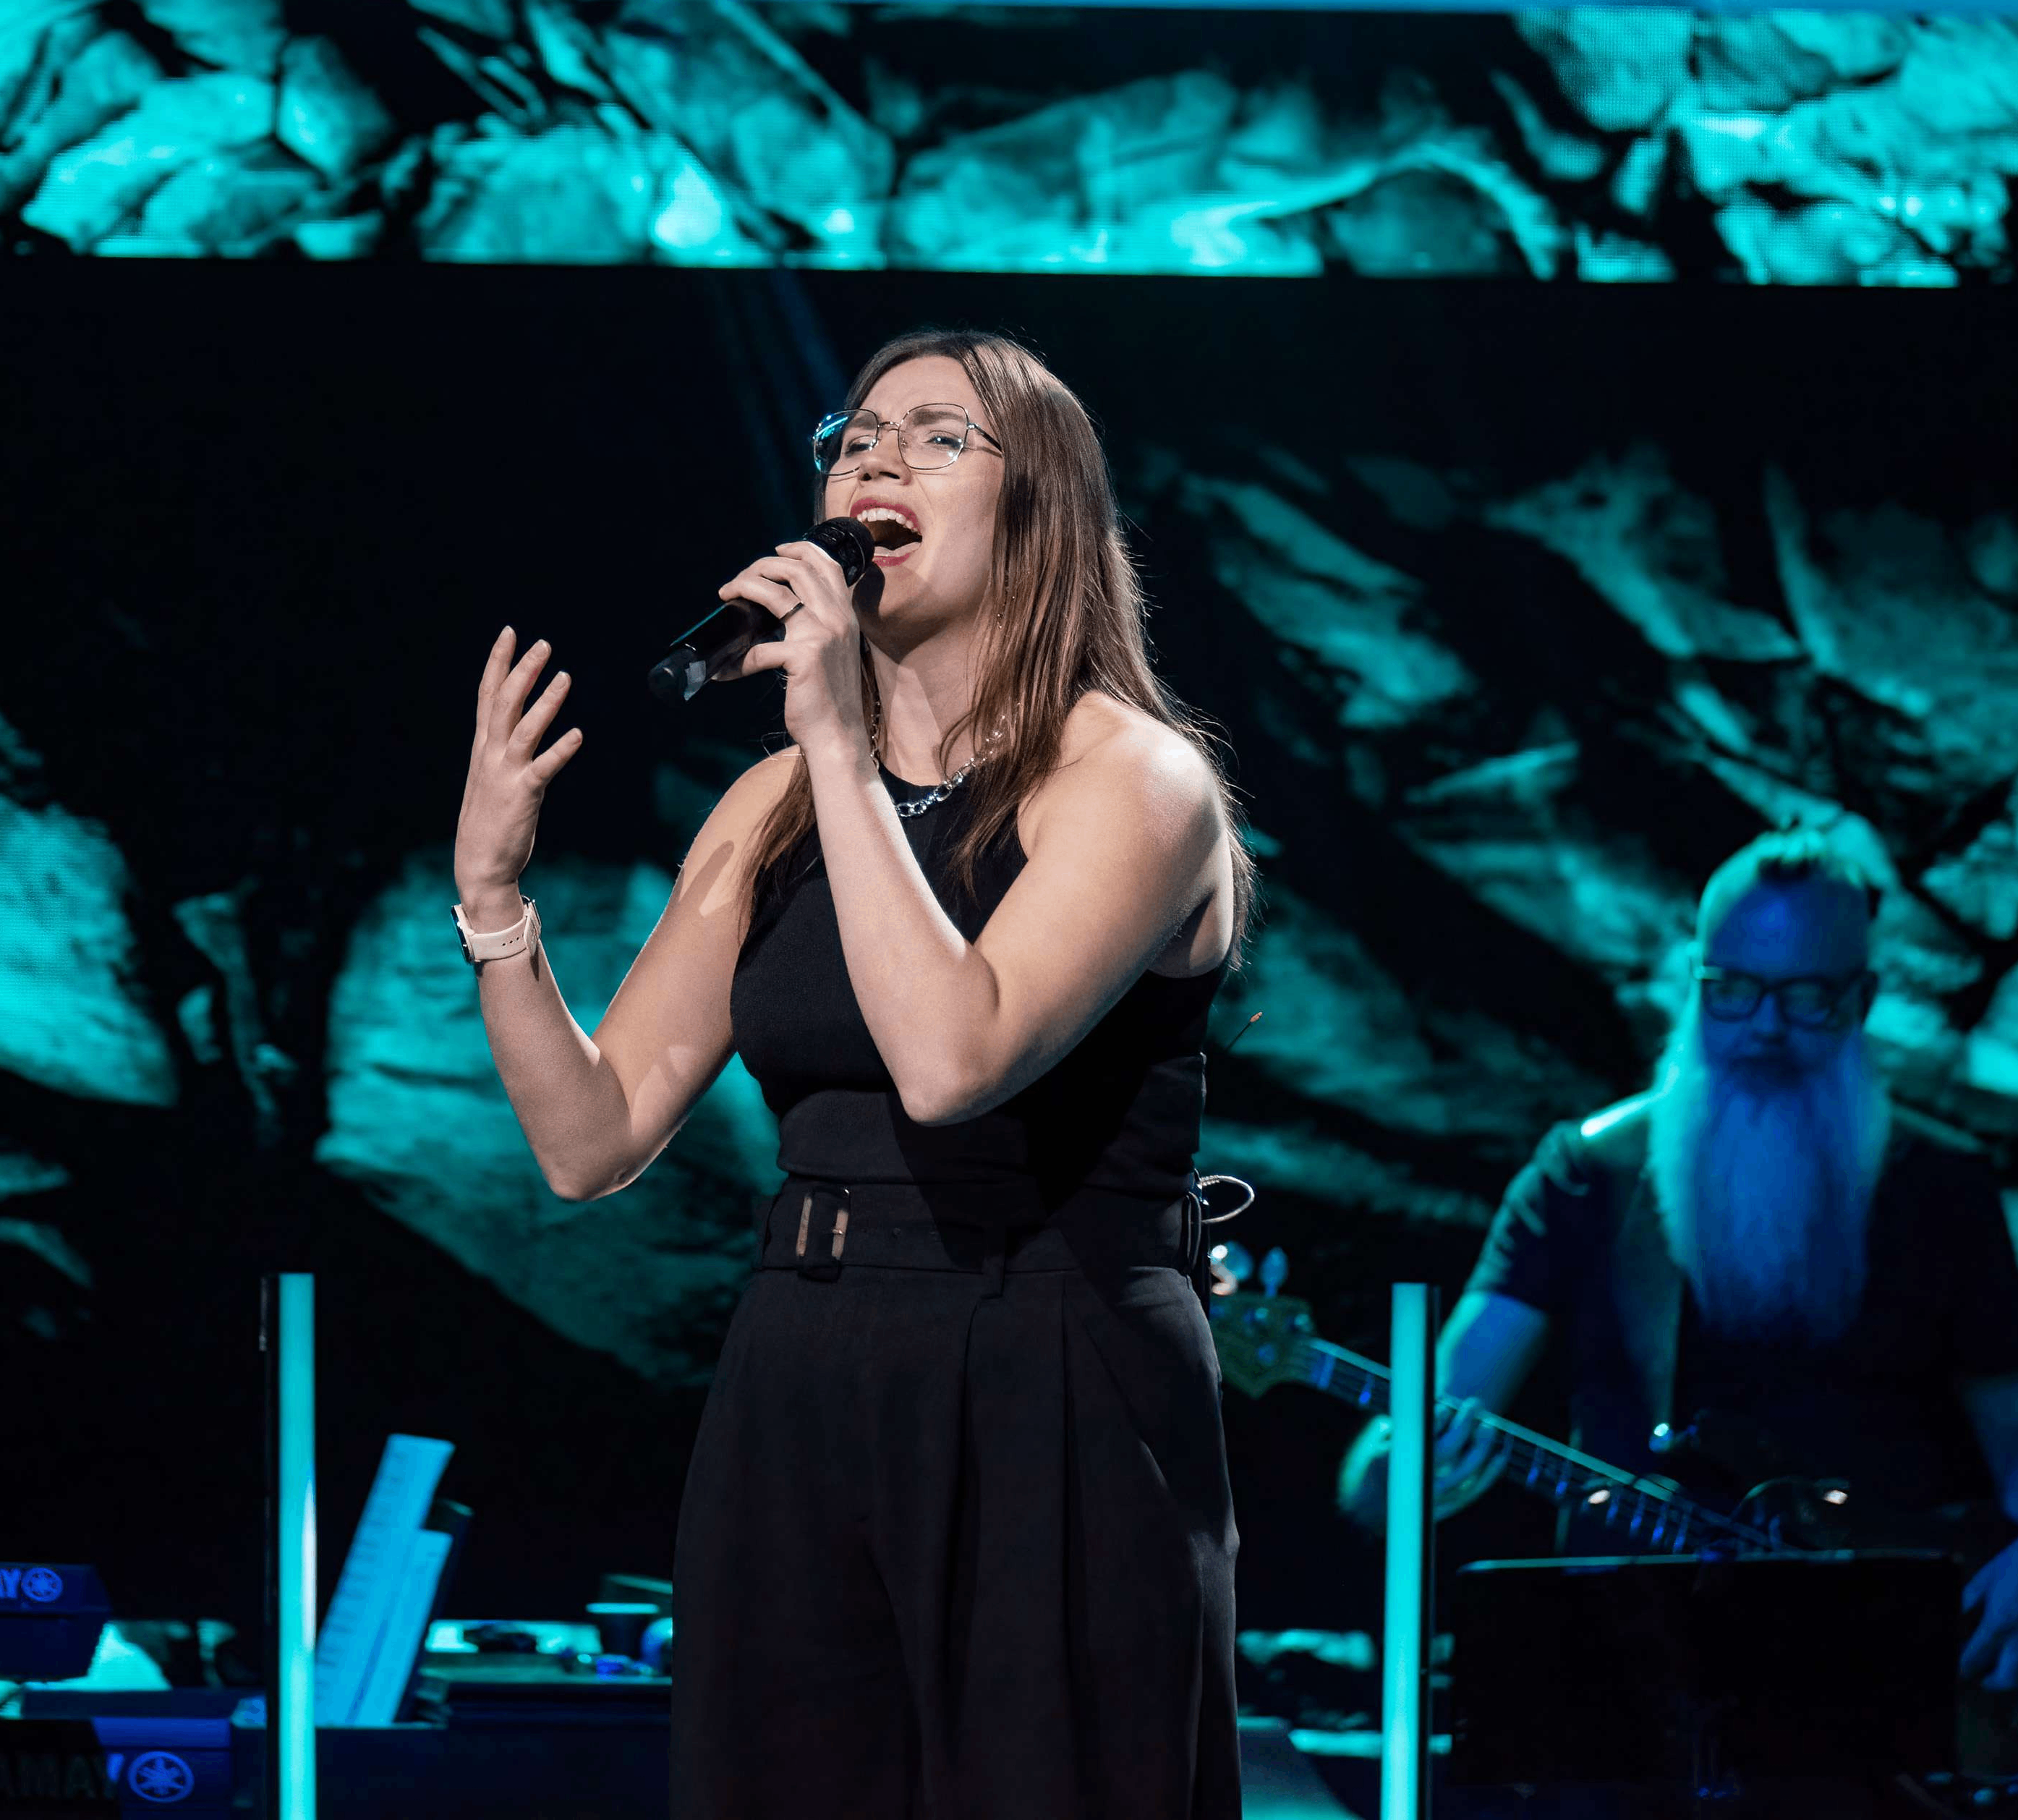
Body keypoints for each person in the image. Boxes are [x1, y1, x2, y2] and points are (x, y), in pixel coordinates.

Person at [455, 330, 1252, 1819]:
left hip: (1050, 1356)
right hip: (802, 1363)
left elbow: (953, 1058)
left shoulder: (1133, 779)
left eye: (940, 437)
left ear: (1044, 512)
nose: (873, 458)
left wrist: (834, 735)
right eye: (856, 434)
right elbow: (592, 1134)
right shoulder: (773, 805)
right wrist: (496, 902)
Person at [1336, 828, 2018, 1689]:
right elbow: (1397, 1450)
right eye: (1731, 991)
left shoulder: (1940, 1185)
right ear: (1691, 984)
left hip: (1877, 1676)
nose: (1764, 1027)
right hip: (1630, 1677)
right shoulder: (1586, 1172)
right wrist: (1400, 1478)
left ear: (1863, 997)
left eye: (1806, 997)